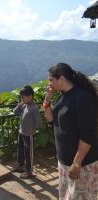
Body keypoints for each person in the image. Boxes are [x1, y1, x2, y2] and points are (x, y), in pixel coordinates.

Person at [43, 63, 98, 200]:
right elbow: (50, 119)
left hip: (82, 164)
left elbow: (88, 133)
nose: (49, 83)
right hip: (65, 161)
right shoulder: (62, 96)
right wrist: (47, 101)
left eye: (51, 80)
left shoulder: (82, 98)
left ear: (61, 79)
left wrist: (77, 163)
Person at [13, 85, 42, 179]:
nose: (22, 99)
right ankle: (20, 166)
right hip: (21, 132)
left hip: (28, 134)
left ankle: (29, 171)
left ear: (30, 96)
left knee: (28, 153)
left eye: (23, 97)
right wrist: (20, 103)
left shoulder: (34, 108)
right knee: (20, 149)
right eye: (21, 97)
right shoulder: (25, 105)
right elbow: (14, 111)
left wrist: (33, 130)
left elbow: (39, 122)